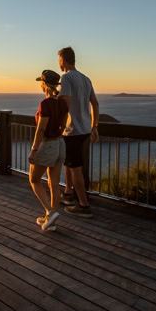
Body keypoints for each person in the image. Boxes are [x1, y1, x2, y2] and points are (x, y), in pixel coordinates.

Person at [57, 46, 100, 218]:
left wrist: (60, 126)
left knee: (75, 168)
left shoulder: (66, 77)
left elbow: (65, 104)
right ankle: (68, 194)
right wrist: (94, 126)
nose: (59, 63)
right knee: (70, 163)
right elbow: (95, 103)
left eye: (59, 59)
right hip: (84, 129)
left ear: (63, 60)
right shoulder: (85, 79)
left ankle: (83, 205)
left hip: (72, 129)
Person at [28, 69, 69, 231]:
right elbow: (64, 125)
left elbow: (41, 129)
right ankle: (50, 220)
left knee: (34, 180)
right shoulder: (63, 103)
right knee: (54, 183)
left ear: (44, 84)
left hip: (48, 144)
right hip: (60, 144)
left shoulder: (45, 104)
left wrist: (34, 150)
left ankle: (50, 212)